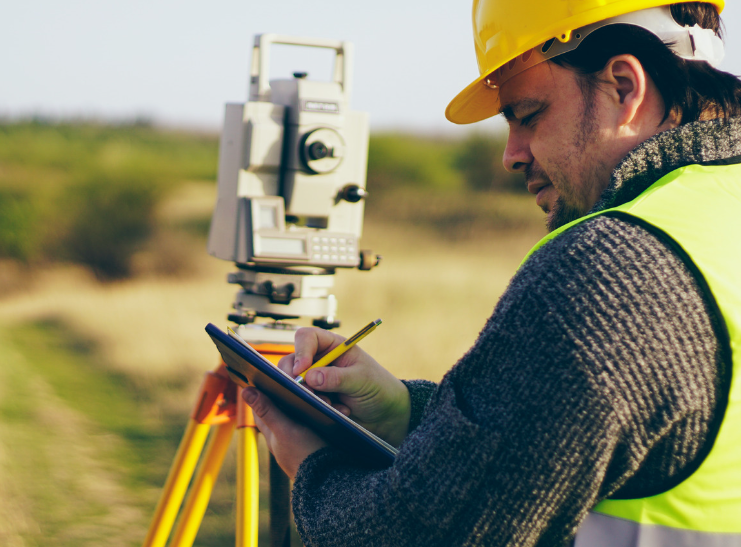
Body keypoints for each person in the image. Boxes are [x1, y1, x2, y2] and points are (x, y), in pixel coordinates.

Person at [241, 1, 741, 545]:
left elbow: (427, 535)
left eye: (527, 115)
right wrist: (409, 413)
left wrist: (313, 466)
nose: (512, 155)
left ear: (623, 87)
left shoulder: (610, 270)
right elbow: (602, 441)